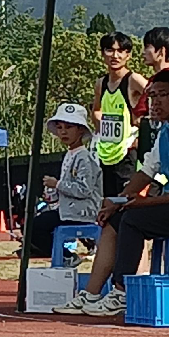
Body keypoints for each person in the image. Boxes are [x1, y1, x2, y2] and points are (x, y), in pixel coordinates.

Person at [55, 71, 169, 316]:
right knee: (116, 218)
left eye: (162, 95)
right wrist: (119, 200)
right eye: (152, 96)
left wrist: (144, 203)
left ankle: (122, 292)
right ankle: (91, 293)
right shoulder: (167, 131)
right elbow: (148, 170)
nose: (155, 102)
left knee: (133, 220)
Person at [27, 104, 102, 263]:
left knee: (35, 226)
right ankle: (58, 254)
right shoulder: (70, 154)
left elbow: (84, 189)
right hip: (68, 210)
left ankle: (66, 256)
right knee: (34, 224)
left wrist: (57, 184)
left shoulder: (84, 157)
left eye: (68, 127)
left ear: (80, 130)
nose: (63, 132)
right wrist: (53, 193)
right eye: (60, 127)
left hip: (81, 213)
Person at [92, 32, 147, 197]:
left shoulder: (133, 80)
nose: (115, 56)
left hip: (127, 153)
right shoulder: (101, 83)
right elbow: (96, 109)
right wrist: (101, 128)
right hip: (106, 153)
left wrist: (141, 132)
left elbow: (157, 97)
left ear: (128, 55)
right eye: (110, 50)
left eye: (121, 51)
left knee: (125, 199)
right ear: (103, 53)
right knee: (107, 199)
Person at [133, 27, 169, 163]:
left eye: (147, 47)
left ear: (161, 51)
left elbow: (138, 116)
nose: (143, 52)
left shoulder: (161, 82)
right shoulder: (159, 79)